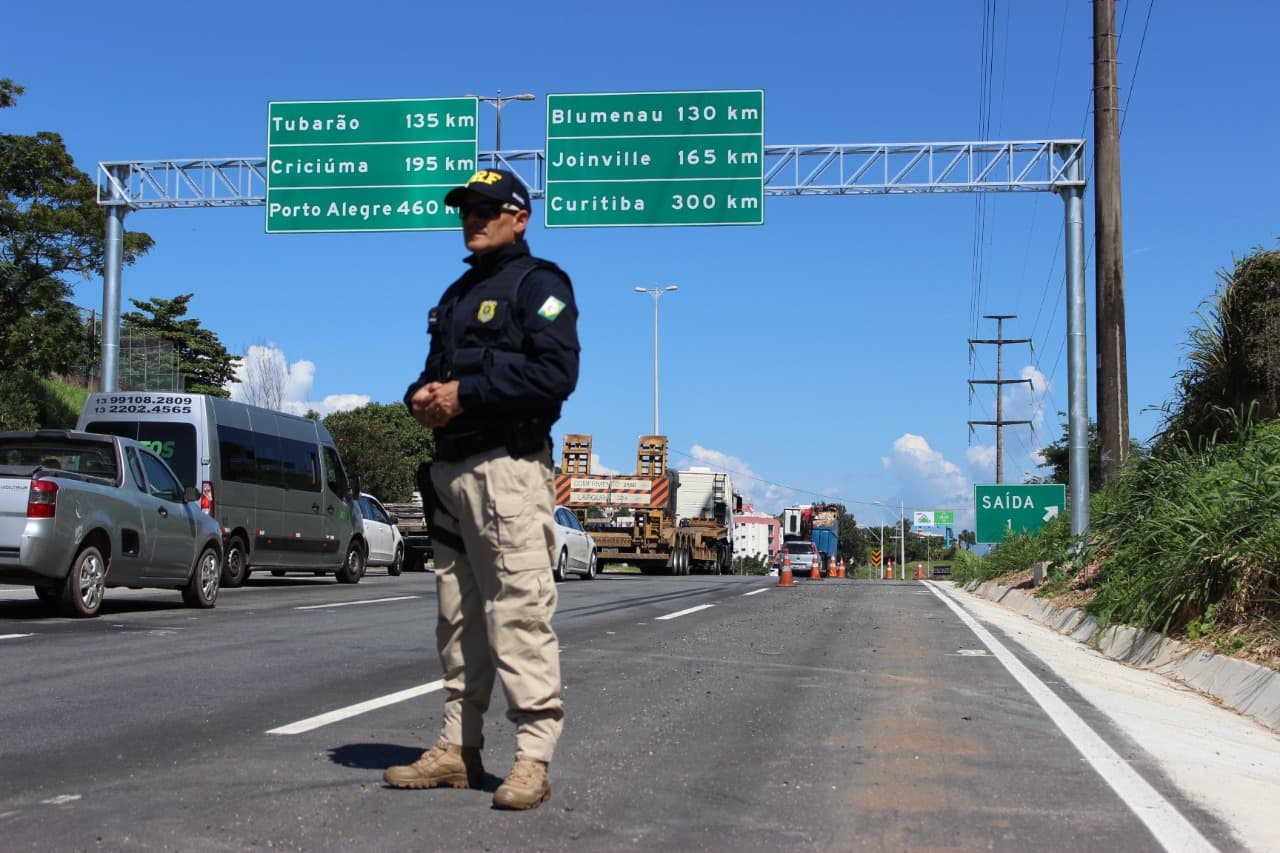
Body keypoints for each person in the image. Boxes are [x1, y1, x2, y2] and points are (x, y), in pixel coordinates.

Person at [384, 169, 579, 811]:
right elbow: (433, 374)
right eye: (467, 208)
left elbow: (556, 373)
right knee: (458, 619)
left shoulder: (540, 284)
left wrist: (466, 393)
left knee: (519, 612)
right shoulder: (457, 294)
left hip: (509, 472)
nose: (473, 217)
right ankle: (457, 751)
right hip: (451, 474)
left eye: (487, 208)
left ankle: (532, 758)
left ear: (519, 217)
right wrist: (422, 399)